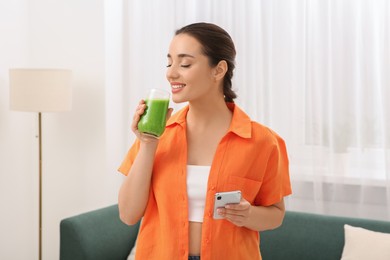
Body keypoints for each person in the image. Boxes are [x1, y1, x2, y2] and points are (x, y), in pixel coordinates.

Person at [118, 22, 292, 260]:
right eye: (169, 62)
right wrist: (148, 145)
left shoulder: (263, 142)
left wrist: (248, 214)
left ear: (219, 70)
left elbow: (276, 215)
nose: (171, 73)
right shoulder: (157, 134)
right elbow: (128, 214)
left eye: (185, 63)